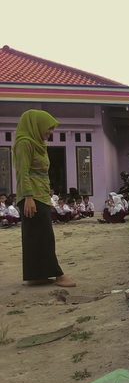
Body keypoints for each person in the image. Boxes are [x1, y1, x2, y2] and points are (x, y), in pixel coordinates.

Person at [12, 110, 76, 287]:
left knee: (34, 236)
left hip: (40, 196)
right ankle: (58, 275)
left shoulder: (38, 143)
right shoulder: (24, 143)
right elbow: (22, 172)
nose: (50, 132)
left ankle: (35, 275)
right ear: (36, 125)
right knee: (45, 235)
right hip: (32, 197)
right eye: (48, 128)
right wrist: (28, 197)